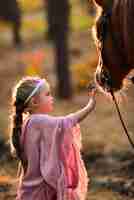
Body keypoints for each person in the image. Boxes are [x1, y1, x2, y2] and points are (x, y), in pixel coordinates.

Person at [10, 76, 96, 200]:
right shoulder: (38, 121)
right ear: (34, 102)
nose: (52, 98)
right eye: (48, 94)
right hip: (40, 192)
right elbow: (65, 123)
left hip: (32, 191)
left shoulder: (29, 122)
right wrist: (90, 106)